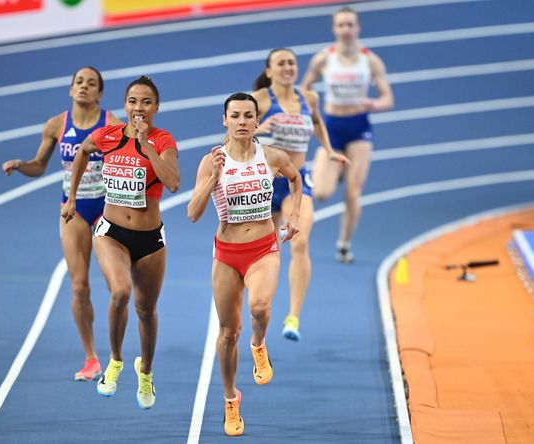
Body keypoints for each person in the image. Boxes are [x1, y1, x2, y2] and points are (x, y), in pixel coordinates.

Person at [61, 75, 180, 409]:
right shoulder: (108, 135)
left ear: (156, 107)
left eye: (145, 102)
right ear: (124, 105)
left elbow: (172, 182)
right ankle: (114, 361)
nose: (138, 108)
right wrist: (72, 197)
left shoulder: (164, 140)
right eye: (132, 101)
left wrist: (147, 146)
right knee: (120, 292)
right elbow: (83, 152)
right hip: (111, 231)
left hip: (150, 238)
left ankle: (147, 372)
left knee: (145, 310)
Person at [187, 92, 302, 436]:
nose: (241, 122)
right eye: (234, 116)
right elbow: (192, 214)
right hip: (226, 253)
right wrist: (212, 178)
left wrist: (294, 214)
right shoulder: (212, 161)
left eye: (247, 116)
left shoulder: (272, 156)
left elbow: (296, 179)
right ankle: (230, 399)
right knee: (226, 333)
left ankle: (259, 344)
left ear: (256, 121)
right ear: (224, 120)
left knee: (261, 306)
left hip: (263, 247)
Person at [2, 66, 123, 382]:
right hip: (72, 210)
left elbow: (128, 160)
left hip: (106, 209)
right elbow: (39, 167)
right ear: (71, 90)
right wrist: (20, 165)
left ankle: (117, 354)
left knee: (116, 287)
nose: (84, 87)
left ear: (99, 93)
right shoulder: (57, 125)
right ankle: (91, 358)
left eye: (91, 83)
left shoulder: (112, 125)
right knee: (79, 285)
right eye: (79, 82)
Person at [252, 48, 348, 342]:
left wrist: (329, 151)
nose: (287, 67)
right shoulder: (260, 100)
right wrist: (259, 127)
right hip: (267, 180)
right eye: (281, 63)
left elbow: (318, 122)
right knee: (260, 248)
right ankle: (258, 306)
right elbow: (235, 132)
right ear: (269, 71)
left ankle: (293, 317)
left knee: (300, 240)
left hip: (298, 180)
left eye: (291, 63)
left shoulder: (310, 99)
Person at [301, 6, 394, 263]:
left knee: (353, 193)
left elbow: (388, 98)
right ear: (334, 29)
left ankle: (344, 243)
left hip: (359, 128)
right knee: (320, 193)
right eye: (341, 25)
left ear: (358, 28)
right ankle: (336, 170)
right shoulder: (323, 59)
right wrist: (311, 107)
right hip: (332, 125)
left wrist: (374, 104)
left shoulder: (370, 60)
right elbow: (303, 89)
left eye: (350, 24)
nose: (346, 30)